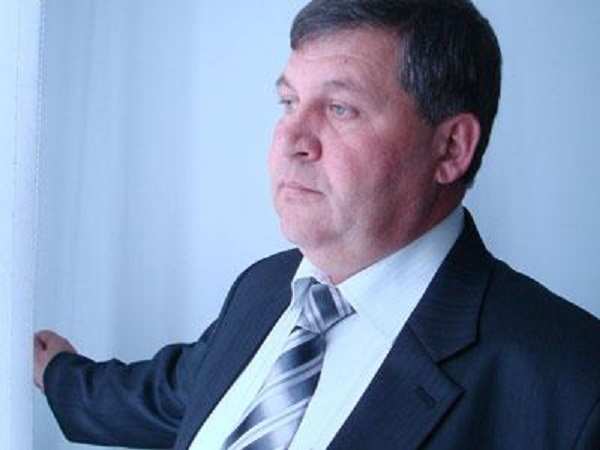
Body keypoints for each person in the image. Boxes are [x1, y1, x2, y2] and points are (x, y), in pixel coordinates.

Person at [34, 0, 600, 449]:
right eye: (288, 103)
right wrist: (50, 367)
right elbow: (173, 396)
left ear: (451, 147)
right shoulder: (264, 288)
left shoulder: (572, 384)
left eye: (339, 108)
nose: (291, 139)